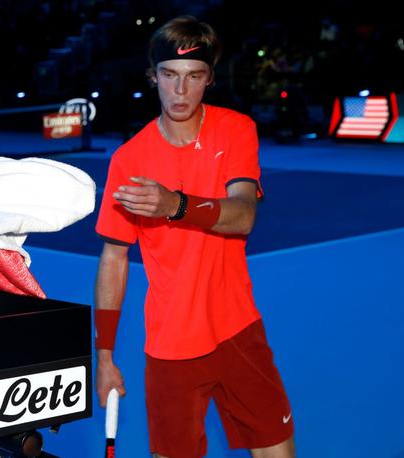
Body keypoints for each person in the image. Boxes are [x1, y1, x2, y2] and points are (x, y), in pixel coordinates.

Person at [93, 16, 296, 458]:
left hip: (238, 329)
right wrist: (104, 356)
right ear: (153, 77)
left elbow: (243, 216)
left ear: (209, 80)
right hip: (170, 345)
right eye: (170, 76)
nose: (180, 91)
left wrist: (175, 205)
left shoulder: (235, 129)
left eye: (193, 77)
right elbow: (113, 258)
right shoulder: (129, 160)